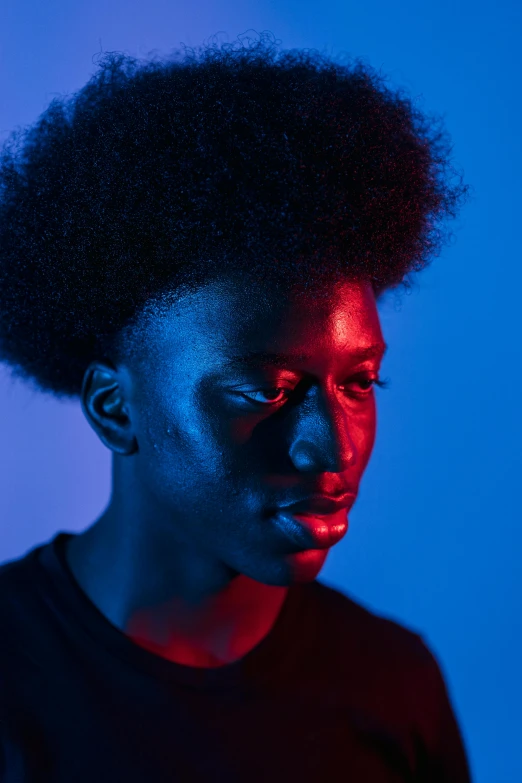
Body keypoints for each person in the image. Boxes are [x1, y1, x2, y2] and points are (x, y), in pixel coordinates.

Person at [0, 31, 473, 782]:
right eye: (268, 390)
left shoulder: (392, 683)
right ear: (115, 408)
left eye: (359, 383)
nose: (332, 448)